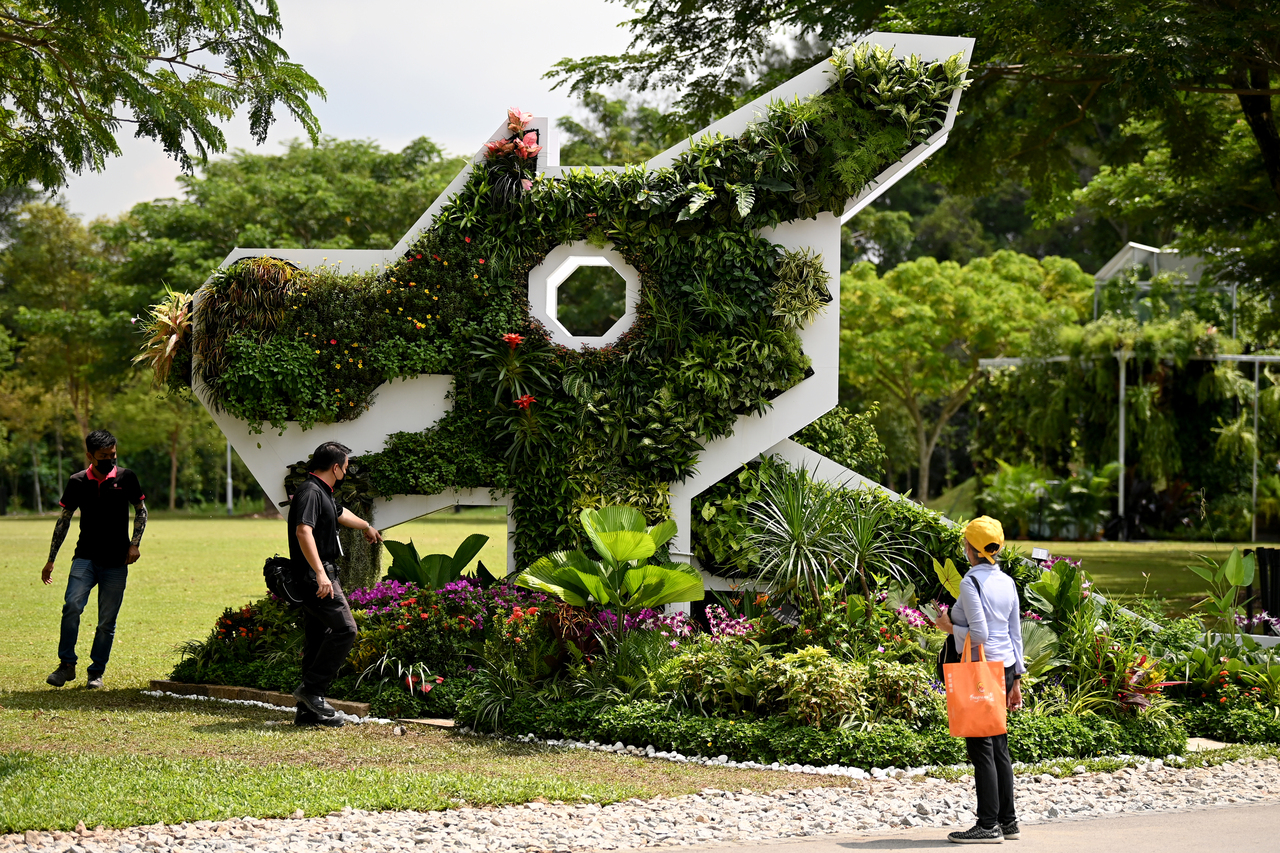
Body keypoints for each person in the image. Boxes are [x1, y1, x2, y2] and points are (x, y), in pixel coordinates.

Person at [933, 516, 1025, 844]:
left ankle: (988, 825)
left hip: (979, 671)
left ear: (971, 548)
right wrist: (1016, 681)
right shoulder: (1006, 582)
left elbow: (980, 633)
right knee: (999, 745)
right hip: (1004, 668)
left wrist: (948, 628)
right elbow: (1015, 634)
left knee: (981, 747)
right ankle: (1008, 822)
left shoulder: (972, 583)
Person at [42, 429, 148, 690]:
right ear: (90, 455)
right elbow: (63, 521)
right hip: (85, 558)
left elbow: (141, 510)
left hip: (116, 561)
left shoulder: (126, 477)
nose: (110, 460)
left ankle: (96, 672)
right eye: (103, 456)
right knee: (71, 606)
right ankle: (66, 665)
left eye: (113, 454)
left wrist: (135, 544)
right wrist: (51, 559)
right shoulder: (77, 481)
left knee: (106, 622)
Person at [287, 441, 382, 727]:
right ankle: (312, 691)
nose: (347, 470)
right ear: (336, 467)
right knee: (345, 629)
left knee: (317, 637)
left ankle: (308, 713)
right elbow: (303, 531)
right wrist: (320, 573)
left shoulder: (322, 492)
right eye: (346, 466)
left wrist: (366, 526)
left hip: (321, 573)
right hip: (316, 576)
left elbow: (340, 513)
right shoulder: (310, 493)